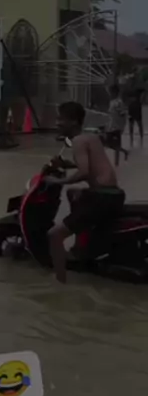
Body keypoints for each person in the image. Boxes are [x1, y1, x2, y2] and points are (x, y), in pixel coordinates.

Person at [46, 101, 125, 284]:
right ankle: (80, 246)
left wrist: (58, 181)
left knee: (54, 235)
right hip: (113, 194)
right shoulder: (90, 137)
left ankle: (60, 283)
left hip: (102, 198)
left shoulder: (78, 141)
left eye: (61, 119)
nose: (57, 123)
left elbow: (84, 172)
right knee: (73, 193)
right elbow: (93, 166)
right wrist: (66, 165)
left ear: (73, 121)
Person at [106, 84, 128, 166]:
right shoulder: (111, 102)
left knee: (117, 144)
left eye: (111, 92)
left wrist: (122, 126)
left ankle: (116, 164)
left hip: (116, 127)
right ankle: (124, 152)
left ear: (115, 92)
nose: (110, 94)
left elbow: (123, 114)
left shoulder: (118, 102)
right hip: (110, 126)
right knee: (108, 143)